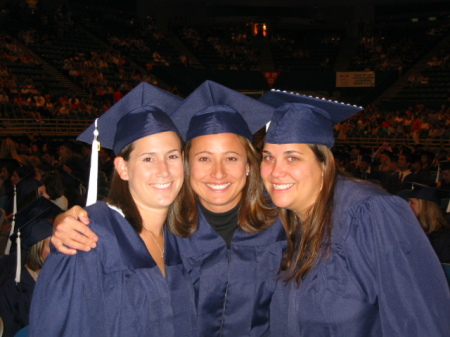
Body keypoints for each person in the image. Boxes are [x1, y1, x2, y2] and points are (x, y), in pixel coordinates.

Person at [50, 80, 286, 336]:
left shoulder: (285, 223)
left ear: (249, 165)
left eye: (231, 158)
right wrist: (61, 226)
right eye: (204, 158)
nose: (218, 173)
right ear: (188, 165)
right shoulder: (172, 229)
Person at [259, 90, 450, 336]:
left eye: (292, 158)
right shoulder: (283, 219)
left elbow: (419, 317)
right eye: (267, 157)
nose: (276, 171)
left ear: (324, 164)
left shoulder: (370, 213)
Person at [29, 82, 198, 336]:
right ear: (122, 168)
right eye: (148, 158)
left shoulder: (180, 235)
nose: (164, 170)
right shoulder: (88, 237)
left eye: (172, 156)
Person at [0, 197, 63, 337]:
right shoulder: (12, 290)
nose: (60, 251)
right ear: (36, 249)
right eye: (52, 246)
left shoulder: (60, 275)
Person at [407, 183, 450, 263]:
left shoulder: (444, 235)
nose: (408, 205)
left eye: (412, 202)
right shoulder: (409, 227)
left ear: (425, 206)